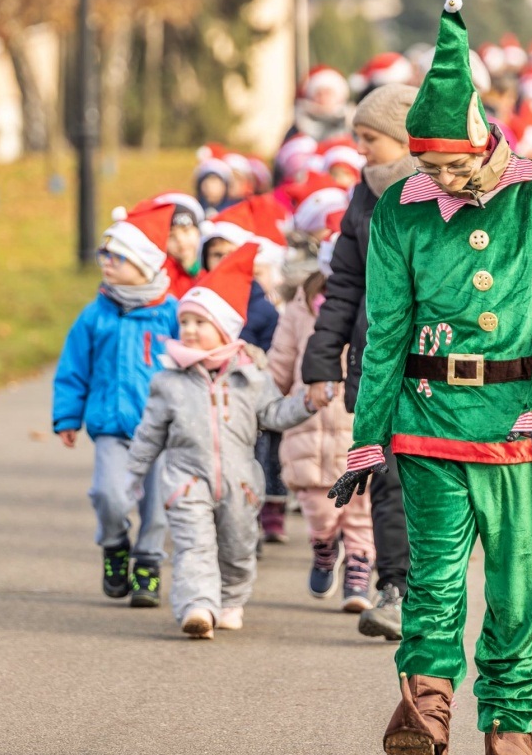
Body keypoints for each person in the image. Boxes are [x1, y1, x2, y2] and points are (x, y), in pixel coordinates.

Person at [330, 0, 532, 755]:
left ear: (484, 138)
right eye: (427, 164)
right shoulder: (403, 212)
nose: (440, 178)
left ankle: (510, 724)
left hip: (524, 427)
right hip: (432, 420)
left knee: (519, 584)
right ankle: (427, 713)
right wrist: (370, 434)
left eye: (452, 163)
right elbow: (385, 332)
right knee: (435, 579)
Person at [123, 245, 314, 638]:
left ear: (225, 330)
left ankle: (230, 598)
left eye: (199, 322)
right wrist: (133, 475)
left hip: (240, 482)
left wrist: (308, 403)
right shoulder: (169, 381)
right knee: (193, 546)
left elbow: (275, 415)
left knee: (237, 546)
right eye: (185, 322)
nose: (189, 330)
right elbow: (149, 434)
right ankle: (197, 607)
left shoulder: (250, 378)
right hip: (186, 479)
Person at [301, 82, 419, 642]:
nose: (361, 150)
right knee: (387, 477)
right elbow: (345, 284)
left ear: (403, 138)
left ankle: (434, 590)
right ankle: (395, 588)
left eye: (370, 139)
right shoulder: (363, 196)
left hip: (434, 366)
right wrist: (323, 358)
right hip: (376, 365)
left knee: (435, 483)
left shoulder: (439, 192)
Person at [53, 204, 179, 607]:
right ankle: (114, 545)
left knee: (157, 506)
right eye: (104, 255)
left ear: (144, 265)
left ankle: (147, 563)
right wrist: (68, 416)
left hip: (161, 431)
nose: (106, 264)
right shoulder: (95, 315)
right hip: (111, 427)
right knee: (109, 495)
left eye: (118, 258)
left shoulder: (173, 315)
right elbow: (74, 368)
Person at [269, 270, 375, 610]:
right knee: (318, 507)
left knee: (361, 506)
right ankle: (324, 545)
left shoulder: (370, 296)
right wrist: (266, 398)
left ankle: (359, 567)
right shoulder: (299, 309)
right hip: (308, 426)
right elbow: (281, 363)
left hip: (354, 421)